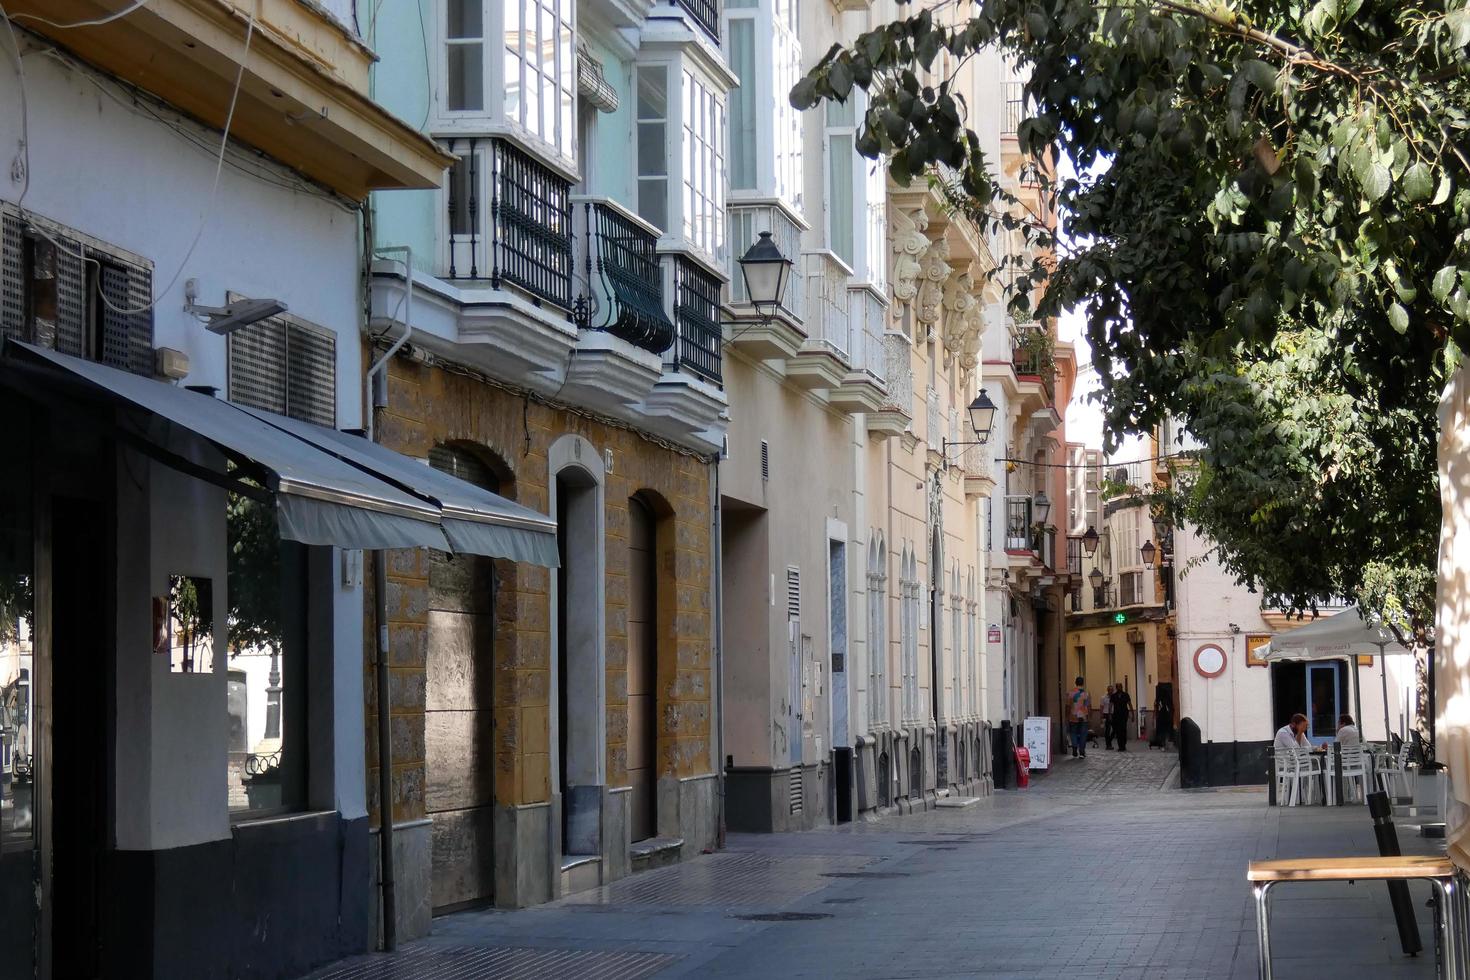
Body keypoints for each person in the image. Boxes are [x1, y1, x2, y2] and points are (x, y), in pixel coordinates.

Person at [1068, 677, 1091, 758]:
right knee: (1083, 734)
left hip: (1073, 716)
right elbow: (1088, 706)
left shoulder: (1071, 692)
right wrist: (1089, 716)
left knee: (1073, 732)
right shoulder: (1086, 693)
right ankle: (1081, 752)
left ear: (1075, 682)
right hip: (1083, 716)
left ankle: (1074, 747)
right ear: (1083, 683)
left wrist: (1067, 715)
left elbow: (1068, 705)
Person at [1110, 684, 1133, 751]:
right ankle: (1120, 746)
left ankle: (1123, 744)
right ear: (1116, 688)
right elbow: (1111, 705)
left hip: (1124, 715)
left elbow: (1129, 704)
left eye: (1120, 687)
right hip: (1116, 715)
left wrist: (1132, 714)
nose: (1119, 688)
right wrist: (1110, 715)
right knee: (1118, 731)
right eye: (1118, 687)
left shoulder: (1126, 695)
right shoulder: (1113, 696)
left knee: (1123, 729)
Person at [1101, 684, 1116, 750]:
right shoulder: (1103, 697)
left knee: (1115, 729)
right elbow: (1101, 707)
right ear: (1107, 690)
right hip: (1106, 714)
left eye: (1112, 690)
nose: (1111, 691)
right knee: (1107, 730)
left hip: (1114, 714)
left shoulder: (1115, 697)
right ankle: (1108, 744)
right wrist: (1101, 716)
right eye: (1110, 690)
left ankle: (1109, 741)